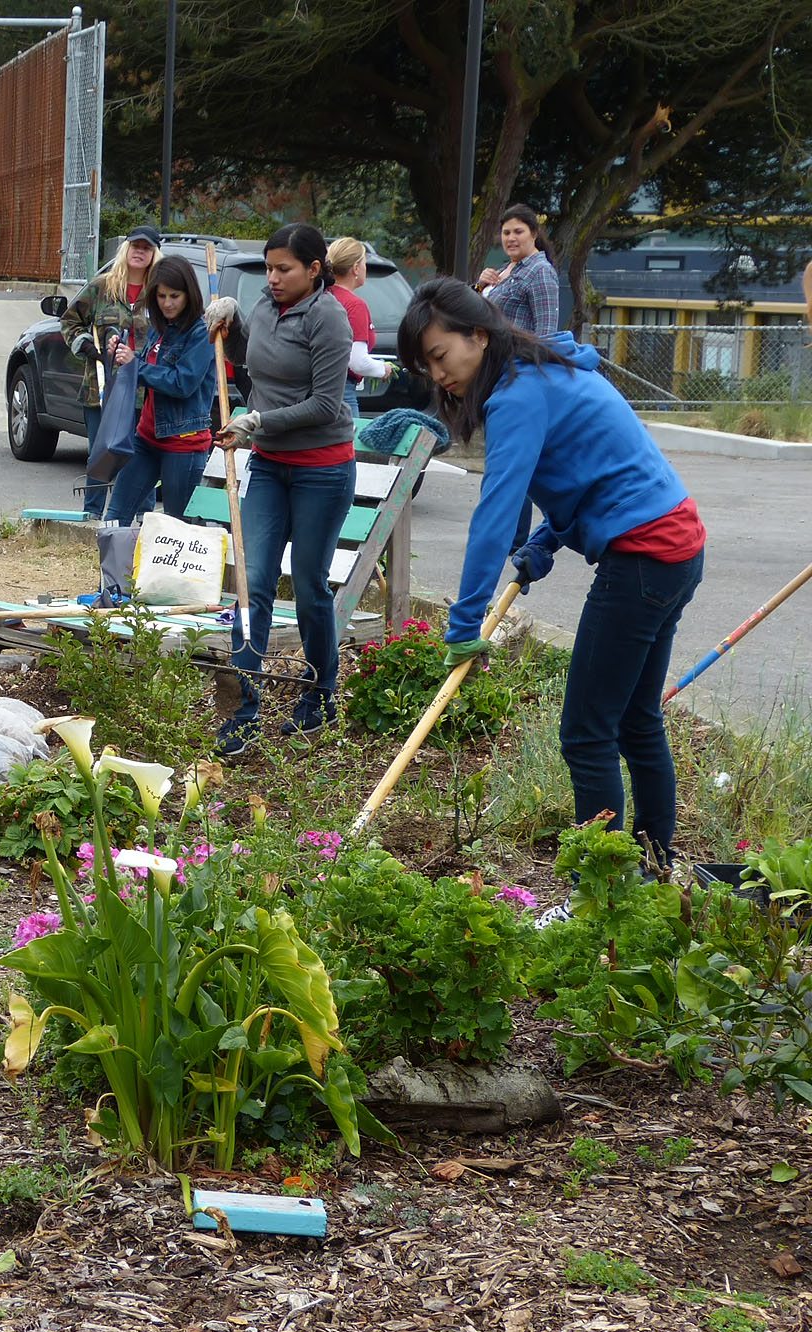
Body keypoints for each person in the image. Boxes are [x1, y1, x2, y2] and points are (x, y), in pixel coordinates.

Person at [398, 279, 704, 874]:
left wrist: (464, 621)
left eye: (439, 356)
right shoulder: (547, 369)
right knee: (636, 719)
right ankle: (655, 869)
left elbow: (495, 513)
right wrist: (550, 535)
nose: (437, 375)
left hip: (643, 555)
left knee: (587, 734)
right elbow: (592, 466)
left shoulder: (517, 395)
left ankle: (603, 893)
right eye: (424, 366)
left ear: (478, 335)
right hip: (676, 546)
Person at [203, 223, 356, 754]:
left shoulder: (330, 319)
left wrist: (256, 422)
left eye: (283, 269)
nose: (272, 278)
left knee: (310, 586)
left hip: (322, 470)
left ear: (314, 270)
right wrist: (232, 325)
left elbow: (326, 406)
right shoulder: (268, 306)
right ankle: (242, 714)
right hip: (269, 467)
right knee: (253, 583)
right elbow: (253, 360)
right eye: (268, 268)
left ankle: (319, 696)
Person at [58, 226, 158, 519]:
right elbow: (70, 321)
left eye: (146, 248)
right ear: (125, 249)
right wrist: (88, 347)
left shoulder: (159, 292)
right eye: (135, 246)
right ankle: (91, 516)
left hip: (143, 390)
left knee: (141, 456)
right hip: (101, 388)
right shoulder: (102, 287)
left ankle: (142, 519)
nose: (140, 252)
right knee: (101, 454)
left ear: (154, 254)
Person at [106, 254, 214, 525]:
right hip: (147, 436)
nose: (167, 303)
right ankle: (112, 557)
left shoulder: (201, 332)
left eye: (174, 296)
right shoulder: (159, 327)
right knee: (114, 519)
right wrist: (122, 354)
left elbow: (182, 383)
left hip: (183, 442)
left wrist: (135, 366)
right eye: (161, 296)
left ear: (189, 294)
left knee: (177, 529)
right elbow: (146, 369)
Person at [326, 236, 391, 417]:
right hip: (342, 392)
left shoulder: (320, 296)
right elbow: (357, 362)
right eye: (364, 263)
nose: (365, 268)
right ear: (355, 268)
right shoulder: (354, 305)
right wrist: (382, 369)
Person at [476, 204, 560, 336]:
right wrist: (479, 286)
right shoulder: (504, 269)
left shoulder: (541, 271)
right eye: (506, 233)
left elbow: (546, 334)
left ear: (534, 234)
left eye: (518, 232)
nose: (511, 238)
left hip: (516, 349)